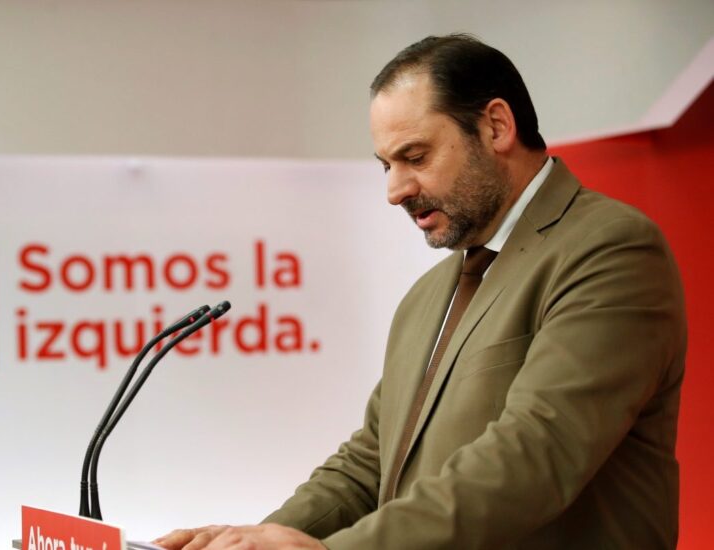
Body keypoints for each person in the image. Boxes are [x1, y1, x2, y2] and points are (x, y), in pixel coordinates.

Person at [155, 34, 687, 549]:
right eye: (387, 165)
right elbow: (372, 461)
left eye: (415, 156)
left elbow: (537, 454)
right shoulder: (427, 295)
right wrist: (252, 541)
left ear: (496, 126)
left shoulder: (609, 248)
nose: (394, 191)